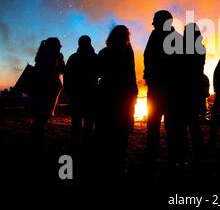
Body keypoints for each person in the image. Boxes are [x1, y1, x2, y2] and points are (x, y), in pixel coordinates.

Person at [95, 25, 138, 176]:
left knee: (105, 128)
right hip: (124, 95)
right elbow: (131, 73)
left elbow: (98, 72)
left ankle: (104, 163)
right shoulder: (128, 52)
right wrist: (134, 93)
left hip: (107, 94)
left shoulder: (104, 52)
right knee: (122, 130)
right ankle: (118, 164)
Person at [144, 10, 182, 167]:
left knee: (170, 125)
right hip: (159, 89)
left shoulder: (176, 40)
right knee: (154, 123)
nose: (153, 23)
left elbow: (180, 66)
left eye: (155, 20)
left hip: (168, 90)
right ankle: (155, 154)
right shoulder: (175, 38)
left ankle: (172, 157)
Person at [64, 35, 99, 150]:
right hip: (90, 95)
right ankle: (86, 147)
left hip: (76, 95)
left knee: (76, 124)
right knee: (88, 124)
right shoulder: (95, 57)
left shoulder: (73, 58)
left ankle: (75, 147)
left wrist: (68, 90)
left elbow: (67, 76)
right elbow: (100, 74)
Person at [30, 37, 65, 147]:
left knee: (40, 118)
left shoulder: (43, 56)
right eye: (59, 45)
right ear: (54, 46)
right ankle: (37, 142)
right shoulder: (51, 57)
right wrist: (61, 60)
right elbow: (57, 72)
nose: (61, 46)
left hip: (43, 91)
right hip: (46, 92)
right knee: (42, 118)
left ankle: (36, 140)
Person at [180, 23, 207, 162]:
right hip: (195, 90)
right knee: (194, 124)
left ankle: (183, 156)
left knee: (183, 125)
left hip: (185, 90)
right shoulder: (200, 47)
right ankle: (198, 155)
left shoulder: (183, 47)